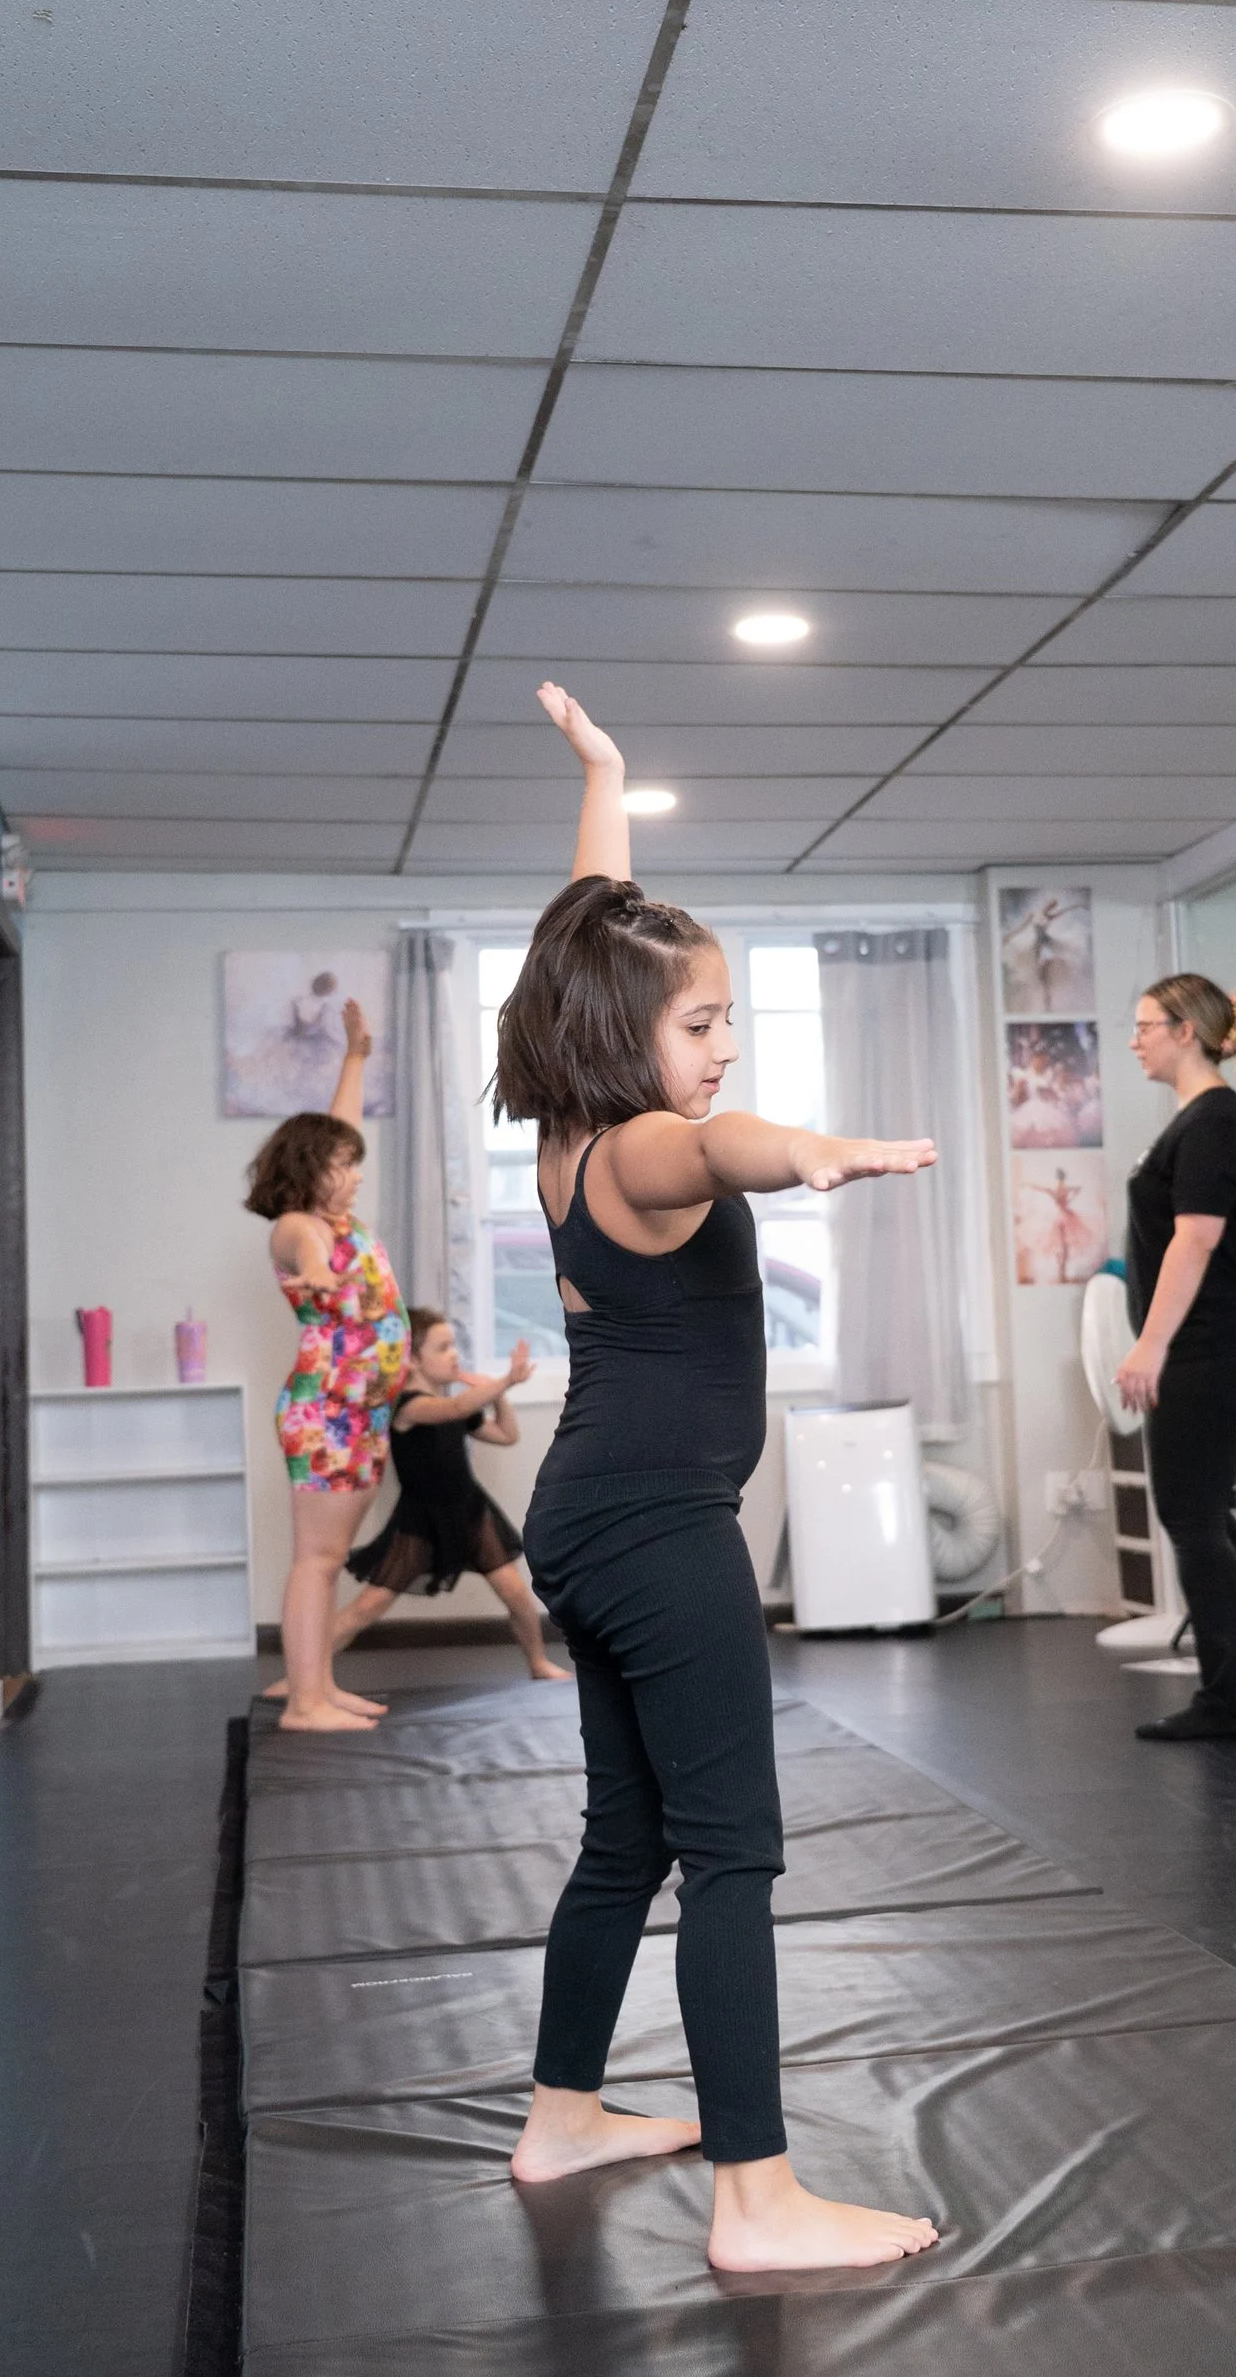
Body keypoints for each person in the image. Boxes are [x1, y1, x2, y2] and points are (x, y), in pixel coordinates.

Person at [502, 681, 941, 2273]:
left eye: (726, 1019)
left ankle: (561, 2108)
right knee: (732, 1849)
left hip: (583, 1514)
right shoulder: (642, 1146)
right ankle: (757, 2198)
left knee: (630, 1834)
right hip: (658, 1528)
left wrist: (608, 780)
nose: (721, 1045)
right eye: (698, 1023)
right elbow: (726, 1146)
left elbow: (580, 929)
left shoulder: (565, 1121)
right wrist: (817, 1147)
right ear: (625, 1034)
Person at [1118, 972, 1236, 1744]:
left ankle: (1228, 1696)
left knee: (1188, 1514)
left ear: (1187, 1030)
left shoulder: (1216, 1121)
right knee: (1202, 1508)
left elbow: (1196, 1240)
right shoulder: (1199, 1119)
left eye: (1146, 1025)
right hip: (1210, 1346)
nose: (1135, 1039)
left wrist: (1148, 1347)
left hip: (1214, 1348)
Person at [242, 998, 409, 1733]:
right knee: (315, 1557)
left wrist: (356, 1057)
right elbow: (304, 1254)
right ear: (315, 1171)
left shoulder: (338, 1218)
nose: (355, 1175)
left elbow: (341, 1125)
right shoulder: (298, 1228)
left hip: (360, 1413)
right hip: (326, 1415)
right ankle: (304, 1702)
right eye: (345, 1166)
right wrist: (316, 1273)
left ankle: (320, 1683)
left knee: (331, 1554)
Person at [334, 1310, 568, 1685]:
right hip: (421, 1519)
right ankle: (304, 1678)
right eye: (443, 1348)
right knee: (369, 1606)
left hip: (470, 1511)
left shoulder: (454, 1404)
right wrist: (505, 1380)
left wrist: (498, 1395)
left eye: (454, 1346)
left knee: (517, 1595)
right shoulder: (408, 1406)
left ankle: (538, 1663)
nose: (454, 1355)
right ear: (412, 1360)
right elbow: (455, 1408)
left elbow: (507, 1435)